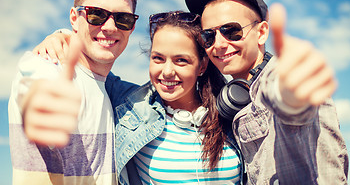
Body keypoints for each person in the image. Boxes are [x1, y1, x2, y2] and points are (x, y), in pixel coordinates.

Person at [32, 11, 245, 184]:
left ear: (202, 66)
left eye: (181, 60)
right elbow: (89, 62)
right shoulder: (131, 104)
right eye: (158, 58)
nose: (167, 71)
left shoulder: (232, 111)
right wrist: (62, 36)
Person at [184, 0, 349, 184]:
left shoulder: (278, 78)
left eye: (231, 31)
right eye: (208, 36)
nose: (218, 44)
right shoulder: (238, 96)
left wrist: (293, 93)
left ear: (261, 33)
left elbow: (286, 100)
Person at [8, 0, 139, 185]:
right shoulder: (43, 64)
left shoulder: (117, 94)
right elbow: (37, 87)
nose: (109, 27)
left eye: (122, 18)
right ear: (74, 18)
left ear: (132, 27)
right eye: (96, 14)